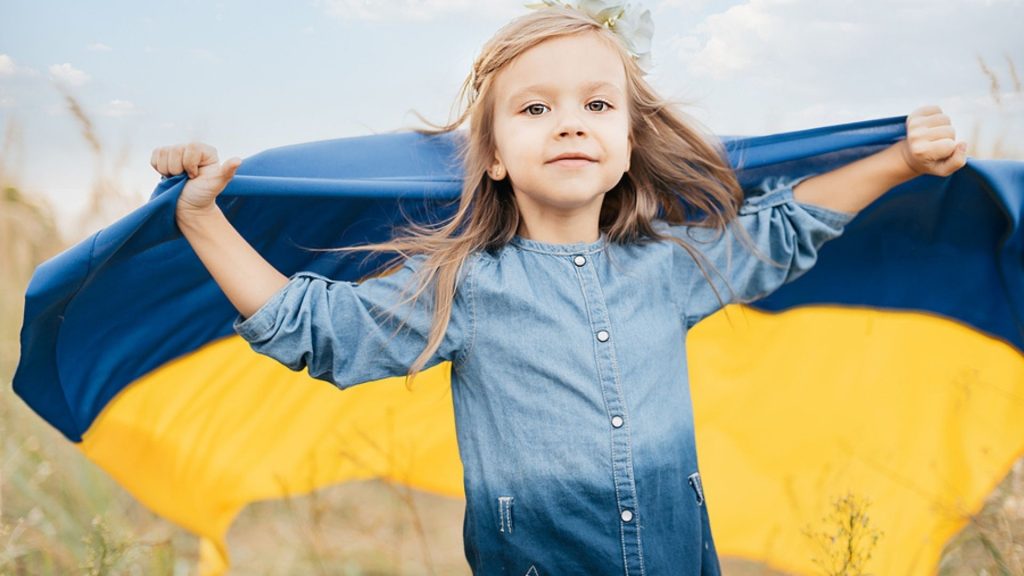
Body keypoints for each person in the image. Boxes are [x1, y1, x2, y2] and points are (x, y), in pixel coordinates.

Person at [150, 3, 967, 574]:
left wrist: (901, 160)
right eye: (536, 108)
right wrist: (202, 221)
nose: (570, 121)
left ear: (625, 144)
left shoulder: (670, 266)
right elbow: (318, 330)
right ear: (497, 155)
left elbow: (783, 231)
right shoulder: (463, 286)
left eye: (596, 104)